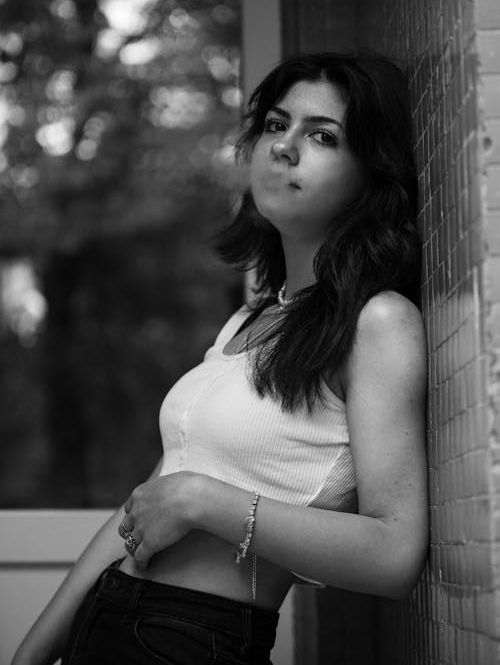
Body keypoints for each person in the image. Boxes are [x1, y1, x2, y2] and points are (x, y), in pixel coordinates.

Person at [12, 51, 428, 665]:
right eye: (275, 125)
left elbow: (395, 555)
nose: (283, 147)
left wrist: (202, 501)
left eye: (322, 136)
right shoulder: (249, 321)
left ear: (372, 174)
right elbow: (146, 502)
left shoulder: (378, 321)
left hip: (190, 641)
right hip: (107, 620)